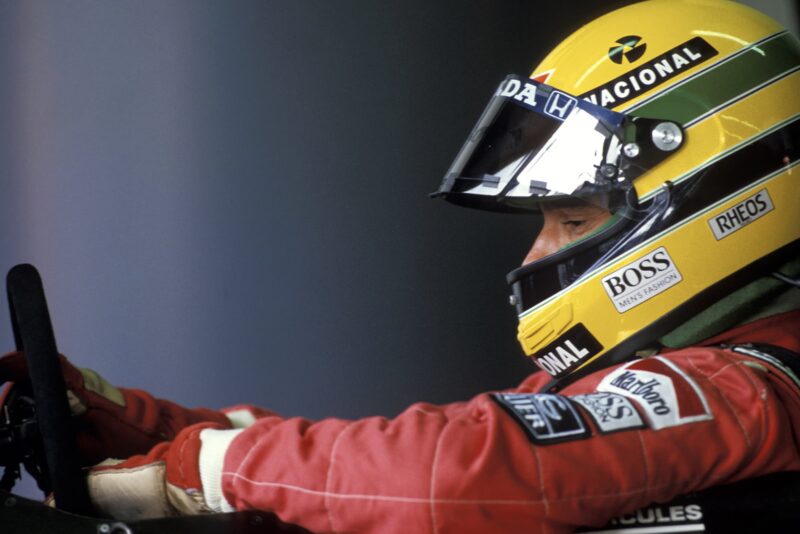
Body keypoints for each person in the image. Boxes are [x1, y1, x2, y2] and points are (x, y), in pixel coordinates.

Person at [2, 0, 799, 532]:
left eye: (571, 220)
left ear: (724, 200)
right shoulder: (691, 378)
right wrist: (147, 428)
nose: (538, 255)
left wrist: (198, 472)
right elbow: (378, 460)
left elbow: (443, 474)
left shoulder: (741, 389)